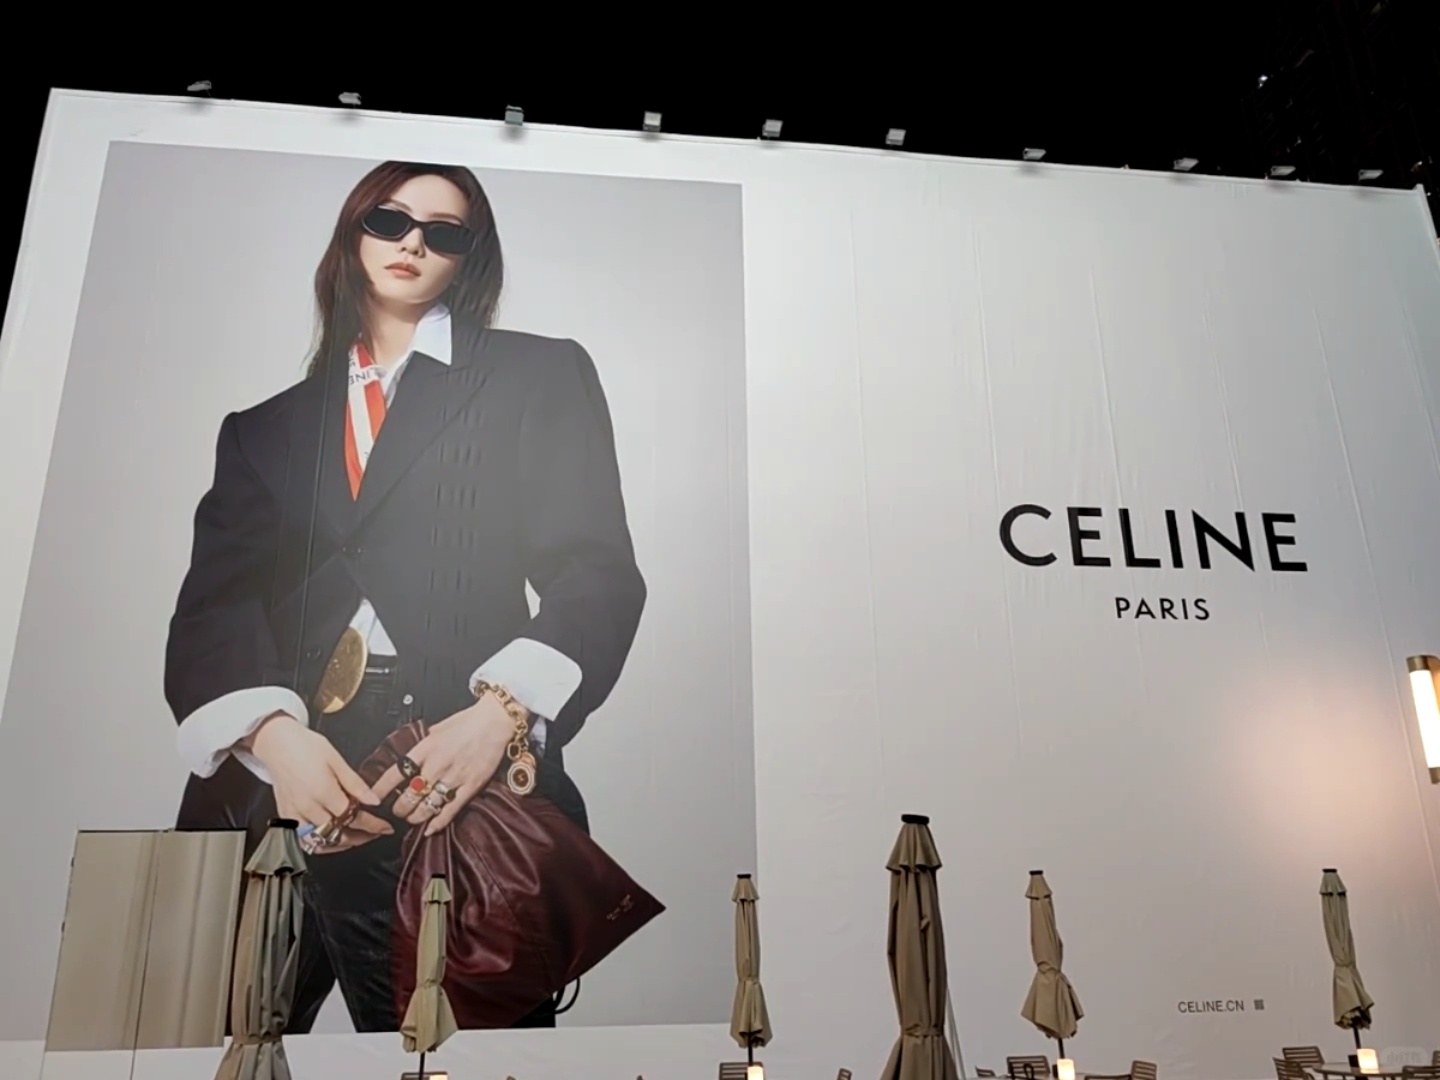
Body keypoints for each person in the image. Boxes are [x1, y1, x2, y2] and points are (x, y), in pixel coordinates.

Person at [164, 160, 647, 1032]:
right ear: (353, 235)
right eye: (389, 220)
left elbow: (596, 571)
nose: (413, 242)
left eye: (444, 231)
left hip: (448, 761)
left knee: (452, 1052)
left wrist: (499, 715)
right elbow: (215, 605)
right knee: (226, 1051)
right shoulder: (264, 428)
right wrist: (274, 739)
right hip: (274, 777)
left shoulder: (535, 374)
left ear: (469, 257)